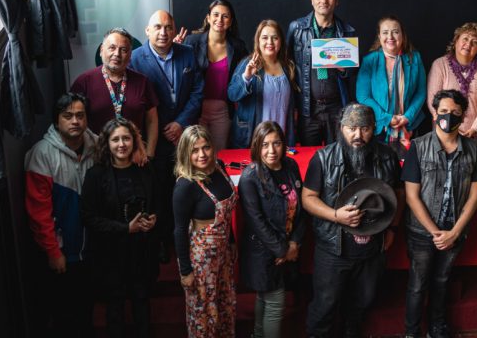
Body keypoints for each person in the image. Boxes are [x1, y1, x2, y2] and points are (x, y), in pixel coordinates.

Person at [301, 103, 402, 338]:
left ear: (374, 128)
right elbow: (307, 198)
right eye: (352, 128)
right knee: (324, 307)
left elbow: (398, 193)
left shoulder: (387, 156)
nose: (358, 135)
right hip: (333, 248)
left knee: (362, 304)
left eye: (364, 128)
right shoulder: (323, 158)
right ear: (341, 128)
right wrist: (336, 215)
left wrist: (393, 228)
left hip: (372, 248)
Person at [402, 90, 477, 338]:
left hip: (455, 230)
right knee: (418, 285)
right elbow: (411, 196)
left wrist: (454, 232)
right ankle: (412, 332)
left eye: (455, 112)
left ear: (463, 116)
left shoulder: (473, 149)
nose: (449, 116)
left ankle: (437, 328)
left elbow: (474, 195)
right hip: (421, 231)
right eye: (444, 111)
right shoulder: (418, 146)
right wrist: (435, 233)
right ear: (435, 113)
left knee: (442, 280)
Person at [130, 10, 204, 262]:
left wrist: (180, 123)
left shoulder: (187, 53)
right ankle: (163, 239)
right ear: (147, 31)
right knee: (159, 190)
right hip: (154, 137)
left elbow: (197, 91)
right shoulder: (135, 58)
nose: (163, 32)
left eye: (168, 27)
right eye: (157, 27)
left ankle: (188, 237)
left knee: (188, 186)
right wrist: (161, 128)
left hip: (184, 135)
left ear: (174, 30)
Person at [25, 93, 98, 337]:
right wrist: (53, 252)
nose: (75, 121)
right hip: (62, 251)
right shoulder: (42, 154)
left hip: (92, 248)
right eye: (68, 116)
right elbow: (39, 213)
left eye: (80, 115)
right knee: (64, 314)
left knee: (87, 309)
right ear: (57, 121)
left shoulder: (98, 146)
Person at [80, 118, 159, 338]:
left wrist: (154, 219)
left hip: (142, 252)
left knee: (142, 304)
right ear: (107, 143)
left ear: (134, 141)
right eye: (115, 140)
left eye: (126, 138)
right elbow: (88, 217)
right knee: (115, 309)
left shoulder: (145, 169)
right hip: (111, 254)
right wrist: (125, 229)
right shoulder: (95, 175)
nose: (122, 144)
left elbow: (159, 203)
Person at [238, 121, 306, 338]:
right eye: (265, 144)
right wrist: (282, 250)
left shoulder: (291, 166)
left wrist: (294, 242)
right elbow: (256, 221)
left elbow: (301, 208)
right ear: (256, 146)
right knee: (275, 303)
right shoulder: (250, 177)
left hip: (287, 244)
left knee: (266, 297)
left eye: (276, 143)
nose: (271, 150)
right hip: (263, 251)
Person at [172, 125, 238, 337]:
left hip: (223, 253)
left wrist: (232, 241)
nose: (202, 154)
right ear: (186, 153)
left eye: (206, 147)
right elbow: (179, 230)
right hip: (202, 260)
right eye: (195, 150)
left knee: (224, 305)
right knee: (204, 312)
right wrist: (185, 271)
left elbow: (226, 214)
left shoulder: (219, 167)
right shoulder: (185, 185)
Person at [71, 27, 158, 162]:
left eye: (123, 50)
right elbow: (72, 120)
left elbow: (152, 120)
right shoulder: (84, 82)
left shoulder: (142, 82)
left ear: (130, 55)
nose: (117, 54)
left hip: (134, 158)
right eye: (112, 48)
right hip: (95, 157)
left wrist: (149, 154)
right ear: (101, 50)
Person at [287, 0, 357, 146]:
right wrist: (293, 106)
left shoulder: (347, 31)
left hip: (337, 108)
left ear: (337, 0)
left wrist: (345, 70)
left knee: (338, 154)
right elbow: (287, 64)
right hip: (308, 108)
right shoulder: (297, 29)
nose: (323, 1)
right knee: (309, 156)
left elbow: (354, 72)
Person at [184, 0, 249, 151]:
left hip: (222, 111)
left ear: (230, 21)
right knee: (197, 152)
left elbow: (245, 78)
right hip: (196, 108)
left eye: (225, 16)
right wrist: (175, 49)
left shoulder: (238, 47)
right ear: (208, 18)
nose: (220, 20)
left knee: (220, 153)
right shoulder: (191, 42)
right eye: (216, 15)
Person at [356, 15, 426, 151]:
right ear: (379, 36)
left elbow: (421, 92)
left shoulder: (415, 58)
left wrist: (407, 117)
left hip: (410, 126)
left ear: (402, 35)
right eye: (385, 32)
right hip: (378, 127)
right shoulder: (370, 61)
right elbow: (363, 96)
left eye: (395, 32)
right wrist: (387, 118)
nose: (390, 37)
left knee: (409, 163)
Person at [228, 19, 297, 149]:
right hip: (254, 138)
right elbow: (232, 94)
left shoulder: (288, 67)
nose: (270, 42)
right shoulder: (248, 63)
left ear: (281, 41)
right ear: (258, 41)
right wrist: (247, 77)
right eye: (265, 38)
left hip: (281, 139)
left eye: (275, 38)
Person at [426, 22, 477, 147]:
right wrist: (444, 123)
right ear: (456, 41)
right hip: (443, 130)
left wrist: (475, 128)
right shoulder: (440, 65)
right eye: (465, 39)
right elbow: (433, 99)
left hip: (473, 133)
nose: (468, 44)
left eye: (474, 42)